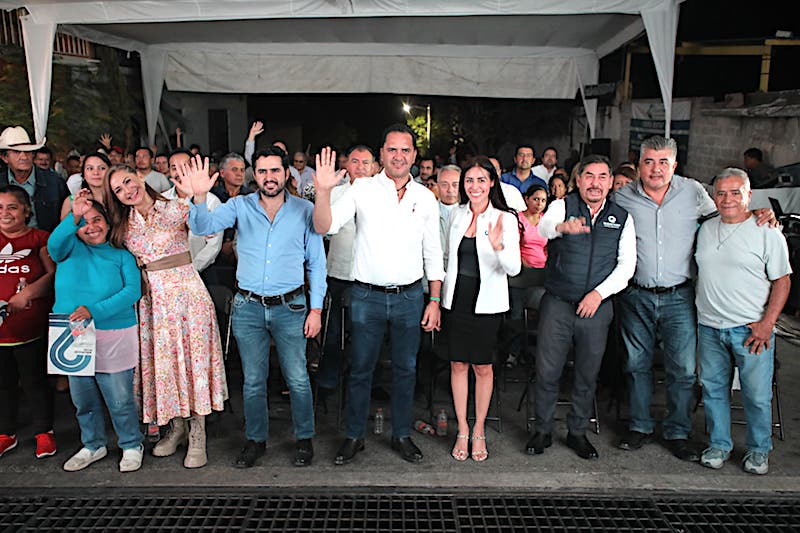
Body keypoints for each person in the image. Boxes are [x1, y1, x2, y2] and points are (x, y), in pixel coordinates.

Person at [614, 136, 775, 462]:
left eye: (663, 162)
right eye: (649, 162)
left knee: (684, 370)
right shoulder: (622, 197)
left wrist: (760, 212)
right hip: (635, 295)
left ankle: (677, 431)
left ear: (674, 165)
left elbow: (730, 210)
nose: (656, 169)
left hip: (680, 297)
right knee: (635, 365)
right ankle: (641, 426)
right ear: (639, 165)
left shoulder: (692, 192)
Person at [180, 149, 325, 469]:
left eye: (275, 170)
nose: (269, 177)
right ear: (254, 175)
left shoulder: (305, 210)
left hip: (291, 305)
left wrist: (316, 310)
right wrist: (200, 196)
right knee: (253, 379)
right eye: (262, 171)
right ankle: (255, 441)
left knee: (298, 378)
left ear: (287, 174)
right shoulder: (239, 206)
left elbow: (316, 264)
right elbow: (203, 226)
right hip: (248, 306)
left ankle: (304, 439)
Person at [313, 124, 444, 465]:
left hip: (409, 298)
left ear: (414, 156)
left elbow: (433, 251)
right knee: (360, 369)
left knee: (406, 369)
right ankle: (354, 435)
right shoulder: (362, 190)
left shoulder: (425, 197)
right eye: (392, 149)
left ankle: (401, 435)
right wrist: (324, 192)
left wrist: (434, 300)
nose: (399, 156)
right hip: (366, 296)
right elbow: (324, 226)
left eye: (405, 150)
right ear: (382, 154)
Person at [104, 164, 227, 469]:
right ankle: (177, 427)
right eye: (118, 190)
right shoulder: (124, 224)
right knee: (165, 367)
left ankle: (199, 433)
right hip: (151, 303)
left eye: (128, 182)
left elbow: (205, 228)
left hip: (187, 298)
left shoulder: (174, 208)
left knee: (192, 364)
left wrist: (197, 197)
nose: (126, 191)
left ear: (141, 177)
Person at [527, 155, 636, 460]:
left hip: (596, 308)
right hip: (559, 303)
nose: (595, 183)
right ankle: (542, 430)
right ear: (578, 180)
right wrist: (563, 227)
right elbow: (545, 229)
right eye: (589, 176)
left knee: (587, 374)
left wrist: (598, 295)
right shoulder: (564, 205)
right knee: (547, 370)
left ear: (611, 182)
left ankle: (577, 432)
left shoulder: (622, 217)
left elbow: (627, 266)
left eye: (603, 176)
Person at [695, 168, 791, 475]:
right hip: (709, 326)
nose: (728, 199)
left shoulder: (767, 231)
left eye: (736, 192)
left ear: (749, 195)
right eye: (721, 193)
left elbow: (783, 281)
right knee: (713, 390)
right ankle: (719, 444)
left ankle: (759, 449)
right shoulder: (706, 229)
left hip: (751, 328)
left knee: (756, 395)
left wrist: (768, 323)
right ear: (713, 197)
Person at [49, 191, 144, 472]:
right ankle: (93, 444)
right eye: (84, 222)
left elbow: (132, 291)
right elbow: (54, 245)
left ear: (108, 222)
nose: (91, 227)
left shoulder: (122, 255)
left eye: (97, 220)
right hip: (73, 334)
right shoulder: (68, 249)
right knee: (83, 398)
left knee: (119, 398)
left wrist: (95, 310)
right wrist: (73, 216)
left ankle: (130, 443)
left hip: (114, 332)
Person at [442, 158, 521, 462]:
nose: (474, 186)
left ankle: (479, 430)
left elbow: (514, 269)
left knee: (482, 367)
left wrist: (499, 245)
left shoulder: (505, 218)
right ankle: (462, 427)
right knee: (458, 365)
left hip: (487, 304)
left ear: (491, 184)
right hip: (457, 300)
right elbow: (449, 257)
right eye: (469, 181)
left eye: (481, 180)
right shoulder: (457, 214)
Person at [0, 185, 57, 459]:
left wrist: (29, 294)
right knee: (3, 383)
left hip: (31, 328)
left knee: (35, 381)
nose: (5, 213)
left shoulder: (40, 238)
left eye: (11, 207)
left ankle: (44, 432)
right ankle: (5, 433)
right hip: (0, 331)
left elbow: (53, 275)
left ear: (25, 210)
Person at [316, 145, 377, 395]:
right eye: (355, 161)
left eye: (366, 162)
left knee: (369, 335)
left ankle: (365, 383)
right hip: (338, 274)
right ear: (346, 165)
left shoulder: (382, 195)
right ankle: (329, 381)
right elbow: (323, 229)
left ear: (375, 167)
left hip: (370, 277)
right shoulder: (334, 194)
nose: (360, 167)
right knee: (333, 333)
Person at [0, 126, 69, 232]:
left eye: (27, 152)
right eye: (17, 152)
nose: (24, 157)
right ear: (5, 158)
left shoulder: (54, 182)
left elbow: (68, 217)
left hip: (45, 243)